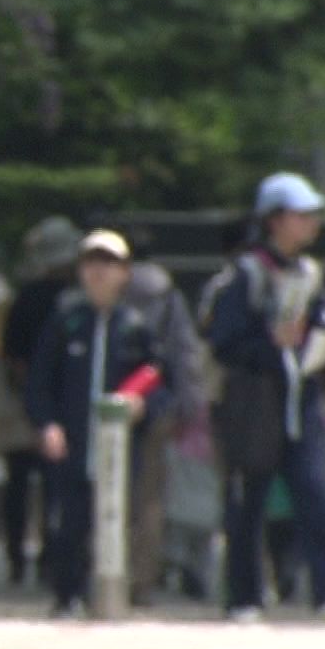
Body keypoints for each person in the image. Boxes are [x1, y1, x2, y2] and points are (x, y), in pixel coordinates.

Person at [203, 172, 325, 624]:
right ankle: (244, 596)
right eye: (302, 214)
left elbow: (316, 329)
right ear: (275, 220)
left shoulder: (311, 274)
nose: (312, 222)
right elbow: (224, 342)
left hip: (304, 399)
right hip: (258, 401)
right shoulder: (247, 275)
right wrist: (270, 342)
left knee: (314, 494)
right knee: (248, 497)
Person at [26, 229, 171, 618]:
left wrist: (144, 405)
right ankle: (66, 595)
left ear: (125, 272)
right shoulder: (65, 323)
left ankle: (119, 593)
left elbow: (160, 381)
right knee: (67, 522)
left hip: (121, 449)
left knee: (121, 521)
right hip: (72, 443)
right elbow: (39, 382)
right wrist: (47, 424)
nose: (99, 272)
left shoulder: (136, 327)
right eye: (92, 263)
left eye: (109, 264)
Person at [0, 216, 81, 587]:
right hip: (57, 404)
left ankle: (16, 556)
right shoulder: (72, 300)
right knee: (53, 487)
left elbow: (9, 354)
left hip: (20, 399)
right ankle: (48, 556)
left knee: (18, 483)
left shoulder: (25, 296)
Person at [120, 235, 205, 604]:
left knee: (110, 490)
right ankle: (142, 581)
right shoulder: (170, 298)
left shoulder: (114, 289)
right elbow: (185, 356)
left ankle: (109, 570)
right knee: (151, 499)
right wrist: (189, 407)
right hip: (158, 405)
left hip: (113, 404)